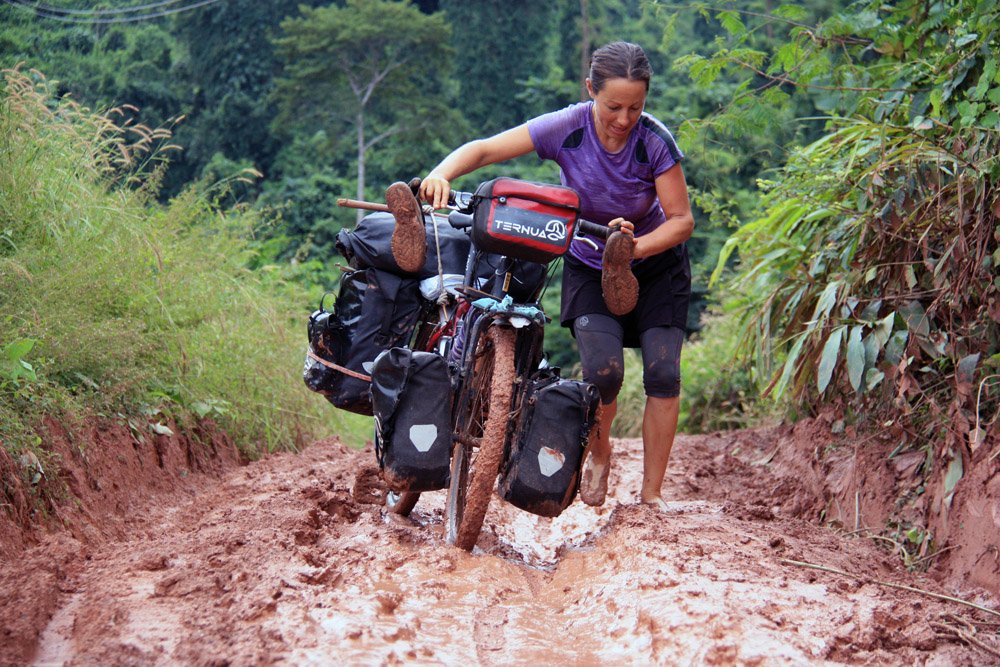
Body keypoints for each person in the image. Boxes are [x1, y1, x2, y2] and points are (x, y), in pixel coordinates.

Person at [393, 41, 694, 511]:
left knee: (662, 372)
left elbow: (681, 220)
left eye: (635, 107)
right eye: (613, 106)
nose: (623, 118)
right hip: (591, 261)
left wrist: (632, 249)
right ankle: (599, 451)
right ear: (590, 90)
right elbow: (487, 149)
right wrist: (440, 174)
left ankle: (651, 496)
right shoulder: (568, 126)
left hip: (654, 262)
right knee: (603, 373)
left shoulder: (655, 141)